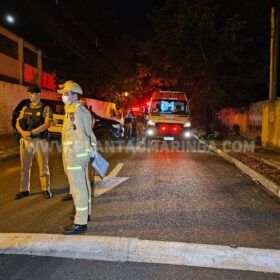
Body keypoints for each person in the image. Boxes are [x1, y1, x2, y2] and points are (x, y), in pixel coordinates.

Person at [57, 81, 97, 235]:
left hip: (75, 153)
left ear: (74, 95)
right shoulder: (75, 109)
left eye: (66, 94)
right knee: (83, 184)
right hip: (78, 153)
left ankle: (80, 223)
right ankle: (84, 214)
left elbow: (81, 133)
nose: (63, 96)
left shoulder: (76, 111)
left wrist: (87, 149)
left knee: (77, 188)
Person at [14, 86, 53, 200]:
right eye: (28, 94)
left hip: (40, 140)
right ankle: (24, 190)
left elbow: (47, 124)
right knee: (25, 167)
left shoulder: (46, 108)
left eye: (32, 93)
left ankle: (46, 189)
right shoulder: (25, 108)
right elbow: (18, 123)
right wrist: (23, 132)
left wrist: (31, 132)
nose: (29, 95)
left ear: (39, 94)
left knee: (43, 167)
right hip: (26, 140)